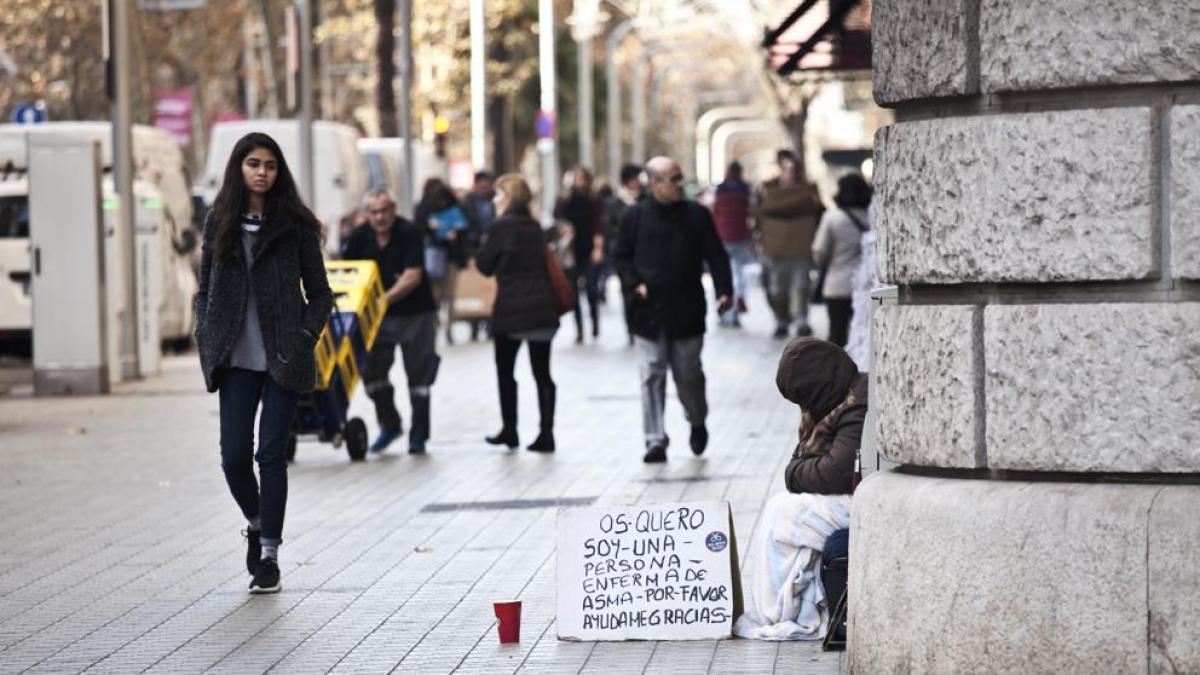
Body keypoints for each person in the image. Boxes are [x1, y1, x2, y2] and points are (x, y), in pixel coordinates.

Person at [194, 132, 333, 594]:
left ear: (279, 171)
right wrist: (206, 339)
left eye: (270, 165)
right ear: (239, 168)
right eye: (253, 163)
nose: (262, 172)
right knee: (234, 458)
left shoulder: (294, 224)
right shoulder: (220, 222)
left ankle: (269, 555)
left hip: (282, 358)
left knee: (270, 455)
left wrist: (304, 338)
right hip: (234, 358)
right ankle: (256, 522)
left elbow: (321, 295)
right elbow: (205, 291)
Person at [734, 337, 867, 640]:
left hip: (864, 499)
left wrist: (793, 474)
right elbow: (810, 464)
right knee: (782, 511)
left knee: (784, 513)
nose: (803, 406)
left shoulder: (857, 402)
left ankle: (779, 611)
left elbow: (836, 472)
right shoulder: (836, 399)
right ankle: (789, 606)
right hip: (851, 493)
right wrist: (798, 473)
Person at [613, 156, 733, 464]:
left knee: (688, 374)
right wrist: (633, 284)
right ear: (653, 184)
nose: (680, 184)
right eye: (674, 179)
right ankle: (655, 440)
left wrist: (723, 291)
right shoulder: (634, 216)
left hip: (687, 310)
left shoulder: (697, 215)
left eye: (680, 178)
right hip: (648, 312)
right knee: (651, 373)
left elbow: (716, 255)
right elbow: (621, 257)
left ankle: (697, 419)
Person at [343, 188, 440, 455]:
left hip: (416, 315)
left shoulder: (408, 232)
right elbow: (347, 273)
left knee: (419, 378)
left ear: (393, 209)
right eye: (374, 212)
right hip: (377, 320)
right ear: (367, 214)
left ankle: (418, 437)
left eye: (384, 211)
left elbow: (413, 276)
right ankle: (390, 424)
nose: (380, 217)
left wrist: (381, 299)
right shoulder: (359, 238)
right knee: (371, 371)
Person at [476, 174, 560, 452]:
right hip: (541, 308)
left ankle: (510, 430)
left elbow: (485, 265)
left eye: (498, 195)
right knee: (542, 373)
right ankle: (546, 433)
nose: (494, 200)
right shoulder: (535, 226)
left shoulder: (501, 227)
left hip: (510, 309)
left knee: (505, 371)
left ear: (509, 197)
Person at [755, 149, 824, 339]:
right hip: (775, 248)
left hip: (801, 247)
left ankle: (801, 320)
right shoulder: (767, 188)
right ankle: (781, 319)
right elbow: (758, 215)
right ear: (780, 169)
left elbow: (818, 213)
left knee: (801, 287)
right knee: (777, 290)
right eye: (786, 169)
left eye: (793, 169)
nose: (790, 173)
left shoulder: (808, 189)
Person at [812, 173, 872, 347]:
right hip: (865, 285)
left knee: (837, 335)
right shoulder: (872, 217)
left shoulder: (832, 217)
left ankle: (836, 372)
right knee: (863, 336)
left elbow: (819, 251)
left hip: (837, 286)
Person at [555, 167, 605, 343]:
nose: (578, 181)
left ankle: (594, 322)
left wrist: (598, 249)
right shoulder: (564, 199)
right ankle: (579, 329)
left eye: (582, 178)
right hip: (571, 251)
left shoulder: (594, 199)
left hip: (589, 247)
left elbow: (598, 225)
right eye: (576, 177)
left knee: (591, 288)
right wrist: (564, 229)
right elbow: (558, 220)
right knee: (573, 291)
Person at [604, 163, 644, 346]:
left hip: (644, 254)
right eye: (636, 178)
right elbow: (609, 230)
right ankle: (631, 329)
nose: (639, 182)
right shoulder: (614, 203)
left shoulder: (646, 199)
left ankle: (642, 326)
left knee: (642, 292)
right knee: (627, 292)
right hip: (624, 256)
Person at [712, 161, 754, 328]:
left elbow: (715, 211)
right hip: (740, 238)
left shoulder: (720, 189)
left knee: (723, 274)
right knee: (738, 274)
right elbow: (750, 212)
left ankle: (723, 312)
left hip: (722, 237)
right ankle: (736, 310)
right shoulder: (744, 190)